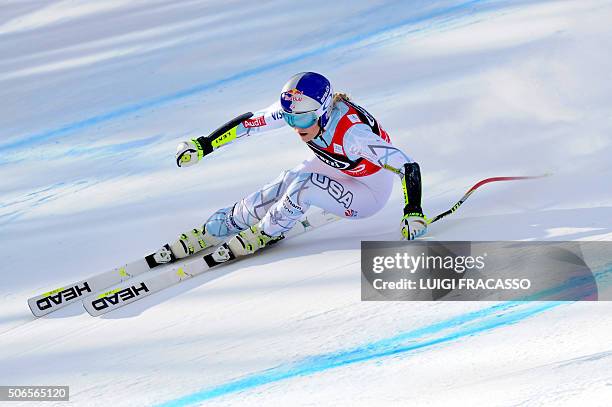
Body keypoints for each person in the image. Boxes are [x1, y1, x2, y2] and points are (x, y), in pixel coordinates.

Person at [172, 72, 427, 258]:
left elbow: (407, 166)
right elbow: (248, 125)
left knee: (305, 186)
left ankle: (266, 232)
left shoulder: (353, 136)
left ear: (324, 112)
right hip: (338, 166)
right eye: (290, 117)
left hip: (369, 192)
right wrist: (204, 145)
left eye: (304, 119)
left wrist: (413, 211)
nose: (296, 126)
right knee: (287, 180)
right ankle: (228, 221)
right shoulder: (300, 107)